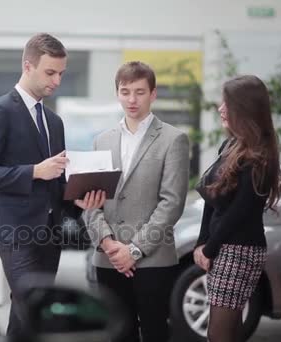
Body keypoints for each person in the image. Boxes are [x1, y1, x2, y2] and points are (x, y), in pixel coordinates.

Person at [0, 33, 101, 336]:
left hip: (50, 234)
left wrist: (76, 199)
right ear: (28, 66)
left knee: (27, 314)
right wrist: (33, 172)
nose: (56, 81)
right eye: (50, 73)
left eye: (61, 74)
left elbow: (55, 180)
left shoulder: (54, 122)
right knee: (33, 305)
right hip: (15, 231)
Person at [83, 61, 190, 342]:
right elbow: (90, 201)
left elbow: (172, 203)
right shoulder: (101, 141)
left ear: (153, 94)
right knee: (116, 333)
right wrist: (108, 243)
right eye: (125, 91)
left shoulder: (173, 139)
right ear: (117, 93)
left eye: (140, 92)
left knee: (155, 332)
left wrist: (135, 249)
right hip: (108, 259)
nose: (132, 99)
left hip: (153, 259)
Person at [193, 75, 281, 342]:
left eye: (227, 103)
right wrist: (202, 242)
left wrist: (210, 249)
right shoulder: (230, 145)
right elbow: (213, 196)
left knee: (219, 334)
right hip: (224, 247)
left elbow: (239, 212)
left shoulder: (260, 156)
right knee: (225, 332)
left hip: (240, 250)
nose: (221, 108)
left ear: (245, 108)